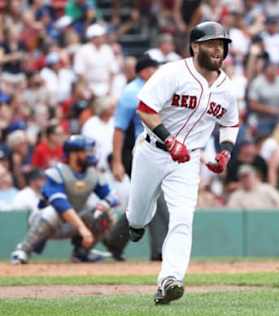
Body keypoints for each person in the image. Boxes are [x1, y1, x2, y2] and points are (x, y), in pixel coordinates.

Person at [126, 21, 239, 304]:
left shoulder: (226, 88)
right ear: (195, 46)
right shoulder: (173, 72)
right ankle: (137, 223)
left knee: (182, 217)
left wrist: (225, 151)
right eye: (212, 43)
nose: (218, 49)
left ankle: (170, 279)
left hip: (189, 159)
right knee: (137, 215)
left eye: (222, 44)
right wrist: (169, 140)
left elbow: (230, 124)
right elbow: (145, 109)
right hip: (153, 150)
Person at [10, 135, 118, 264]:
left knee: (107, 214)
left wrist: (105, 203)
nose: (90, 155)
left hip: (74, 223)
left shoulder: (92, 173)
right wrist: (82, 228)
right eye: (85, 151)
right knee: (52, 211)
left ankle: (82, 253)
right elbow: (60, 205)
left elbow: (112, 197)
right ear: (73, 154)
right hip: (45, 223)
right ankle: (23, 250)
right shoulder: (56, 173)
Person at [103, 54, 168, 262]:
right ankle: (159, 251)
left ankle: (114, 239)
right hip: (137, 151)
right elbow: (119, 129)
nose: (157, 71)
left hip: (155, 150)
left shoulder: (157, 89)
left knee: (145, 198)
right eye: (153, 67)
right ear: (144, 71)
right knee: (155, 197)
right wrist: (117, 162)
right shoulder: (132, 93)